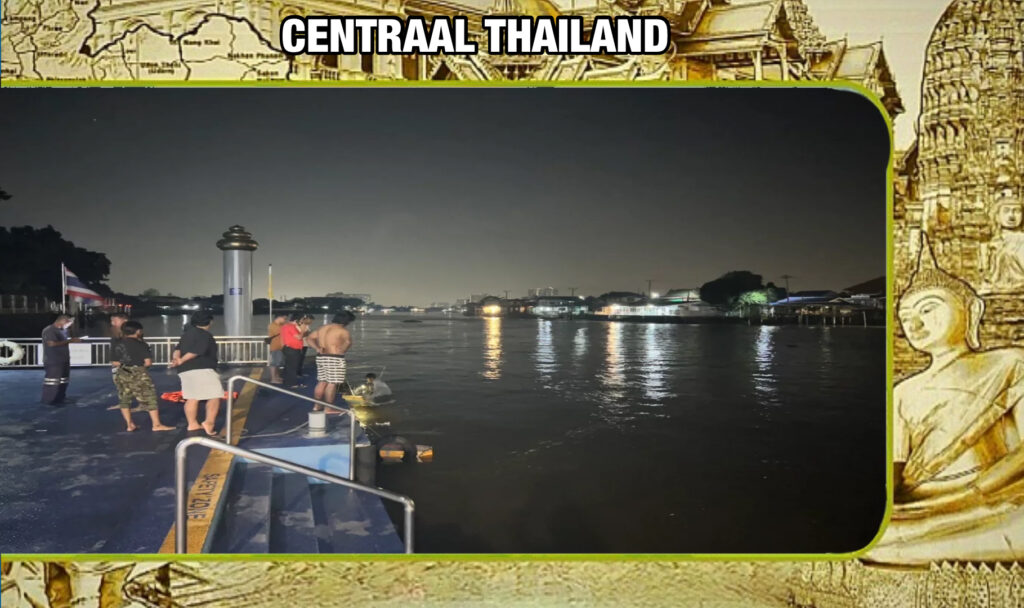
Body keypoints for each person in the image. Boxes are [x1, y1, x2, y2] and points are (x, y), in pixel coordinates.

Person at [866, 235, 1024, 564]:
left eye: (928, 309)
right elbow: (895, 470)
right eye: (907, 319)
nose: (916, 324)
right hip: (924, 503)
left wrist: (977, 492)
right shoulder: (903, 392)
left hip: (994, 496)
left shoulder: (1011, 364)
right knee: (875, 536)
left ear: (971, 309)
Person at [112, 321, 174, 432]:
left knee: (124, 399)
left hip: (122, 372)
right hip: (138, 372)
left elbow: (115, 362)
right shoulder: (141, 344)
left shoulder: (117, 344)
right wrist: (140, 368)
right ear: (138, 331)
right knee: (150, 398)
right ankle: (156, 425)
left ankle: (129, 424)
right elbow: (148, 362)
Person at [169, 312, 223, 437]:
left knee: (192, 397)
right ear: (209, 322)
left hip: (185, 370)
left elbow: (177, 349)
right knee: (215, 395)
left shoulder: (186, 334)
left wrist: (177, 360)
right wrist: (182, 360)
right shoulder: (205, 335)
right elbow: (197, 351)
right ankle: (209, 422)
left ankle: (192, 423)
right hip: (202, 368)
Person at [305, 311, 355, 414]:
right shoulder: (342, 330)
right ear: (346, 321)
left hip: (321, 357)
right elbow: (348, 342)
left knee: (322, 382)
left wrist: (317, 348)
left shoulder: (322, 328)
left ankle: (317, 406)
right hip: (334, 357)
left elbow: (309, 338)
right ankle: (328, 408)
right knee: (332, 383)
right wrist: (343, 350)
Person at [40, 314, 79, 405]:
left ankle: (60, 397)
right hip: (53, 360)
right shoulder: (49, 330)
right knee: (52, 381)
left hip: (63, 359)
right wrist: (70, 341)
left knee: (63, 380)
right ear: (63, 321)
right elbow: (51, 344)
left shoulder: (62, 331)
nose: (70, 325)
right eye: (69, 323)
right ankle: (49, 400)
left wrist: (71, 338)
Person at [280, 313, 306, 388]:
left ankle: (287, 381)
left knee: (289, 366)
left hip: (288, 348)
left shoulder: (287, 326)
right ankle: (292, 383)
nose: (302, 322)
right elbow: (298, 337)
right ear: (297, 320)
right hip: (292, 349)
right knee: (293, 367)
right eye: (301, 320)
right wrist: (303, 330)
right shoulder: (290, 327)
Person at [266, 313, 288, 384]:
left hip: (280, 347)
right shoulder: (272, 325)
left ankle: (277, 376)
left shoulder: (280, 325)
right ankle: (273, 378)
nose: (285, 320)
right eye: (284, 319)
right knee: (274, 363)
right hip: (275, 346)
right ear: (279, 317)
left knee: (278, 363)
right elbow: (283, 331)